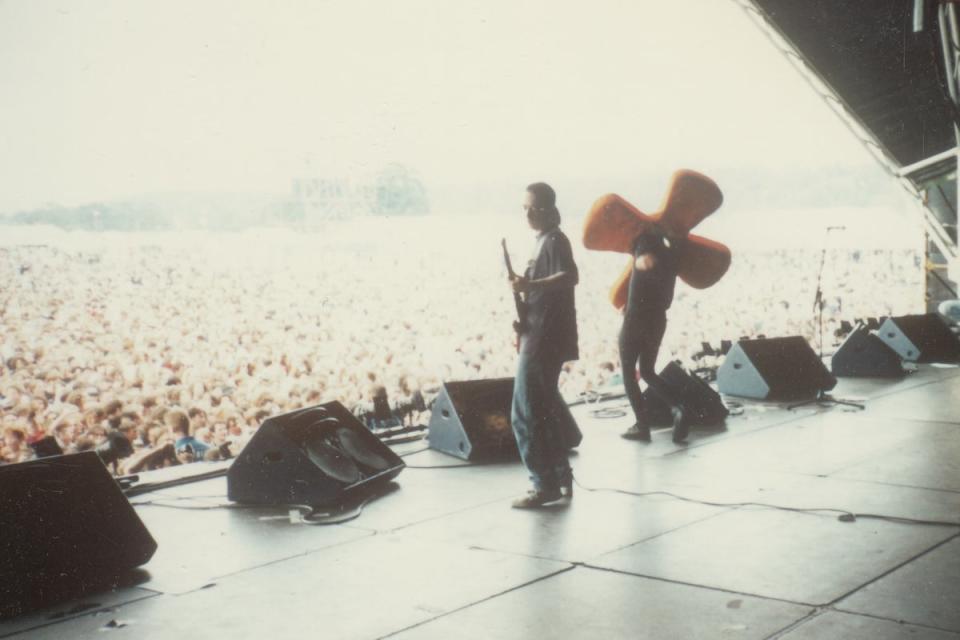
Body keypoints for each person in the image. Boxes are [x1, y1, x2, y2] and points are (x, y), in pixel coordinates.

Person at [508, 182, 582, 508]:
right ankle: (560, 475)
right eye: (524, 208)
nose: (527, 214)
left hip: (544, 339)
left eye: (532, 208)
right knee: (544, 411)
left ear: (549, 210)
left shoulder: (555, 240)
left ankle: (543, 485)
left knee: (524, 413)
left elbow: (570, 276)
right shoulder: (542, 242)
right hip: (537, 332)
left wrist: (530, 284)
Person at [619, 225, 690, 443]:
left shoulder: (644, 239)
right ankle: (679, 408)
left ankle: (642, 425)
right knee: (648, 371)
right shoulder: (674, 252)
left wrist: (642, 260)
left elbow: (645, 261)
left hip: (636, 319)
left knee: (629, 374)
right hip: (658, 320)